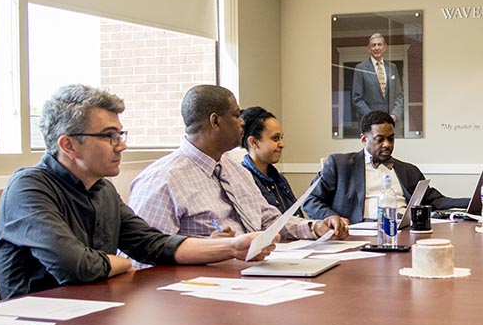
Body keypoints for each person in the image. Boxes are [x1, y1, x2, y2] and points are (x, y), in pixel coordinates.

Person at [0, 85, 274, 299]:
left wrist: (233, 247)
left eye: (120, 134)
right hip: (40, 324)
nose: (121, 146)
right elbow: (74, 266)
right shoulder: (28, 188)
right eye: (109, 136)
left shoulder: (102, 189)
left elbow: (153, 244)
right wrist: (120, 263)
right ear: (68, 145)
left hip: (98, 311)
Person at [128, 86, 347, 268]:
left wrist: (314, 227)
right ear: (215, 121)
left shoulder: (236, 169)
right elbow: (141, 260)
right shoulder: (162, 180)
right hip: (203, 291)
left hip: (257, 274)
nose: (242, 122)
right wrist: (210, 250)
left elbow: (269, 220)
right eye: (236, 114)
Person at [303, 111, 468, 222]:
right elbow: (310, 200)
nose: (387, 144)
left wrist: (472, 201)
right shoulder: (340, 165)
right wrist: (332, 218)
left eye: (391, 138)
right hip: (360, 233)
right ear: (363, 139)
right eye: (379, 139)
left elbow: (435, 201)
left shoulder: (408, 170)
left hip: (405, 231)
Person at [238, 107, 301, 216]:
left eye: (282, 138)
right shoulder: (244, 182)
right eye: (275, 138)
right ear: (253, 142)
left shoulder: (279, 179)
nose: (282, 144)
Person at [350, 33, 404, 133]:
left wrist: (395, 115)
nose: (376, 48)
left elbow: (399, 96)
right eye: (373, 45)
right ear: (369, 48)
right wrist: (373, 118)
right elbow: (357, 99)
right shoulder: (360, 68)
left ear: (385, 47)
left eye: (379, 44)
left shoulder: (392, 68)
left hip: (390, 123)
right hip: (370, 125)